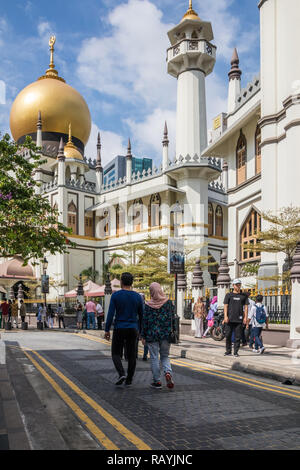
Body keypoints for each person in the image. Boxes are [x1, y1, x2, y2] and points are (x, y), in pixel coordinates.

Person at [104, 272, 144, 387]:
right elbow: (142, 316)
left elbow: (111, 313)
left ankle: (121, 373)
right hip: (133, 328)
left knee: (116, 353)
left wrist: (107, 329)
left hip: (119, 328)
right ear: (131, 282)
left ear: (121, 282)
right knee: (132, 355)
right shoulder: (137, 297)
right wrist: (142, 332)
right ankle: (129, 379)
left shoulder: (116, 295)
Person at [141, 282, 175, 390]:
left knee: (154, 358)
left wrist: (143, 335)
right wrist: (173, 331)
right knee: (165, 356)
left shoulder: (148, 305)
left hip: (152, 335)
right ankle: (168, 372)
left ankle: (157, 381)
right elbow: (173, 319)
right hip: (165, 334)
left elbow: (144, 321)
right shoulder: (168, 303)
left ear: (151, 292)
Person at [223, 279, 249, 357]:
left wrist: (245, 318)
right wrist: (225, 316)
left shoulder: (244, 296)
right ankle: (228, 351)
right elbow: (225, 306)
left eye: (239, 284)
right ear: (233, 285)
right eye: (236, 285)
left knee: (238, 337)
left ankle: (236, 352)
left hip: (239, 319)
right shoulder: (228, 295)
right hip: (229, 319)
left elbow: (246, 307)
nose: (238, 286)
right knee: (228, 335)